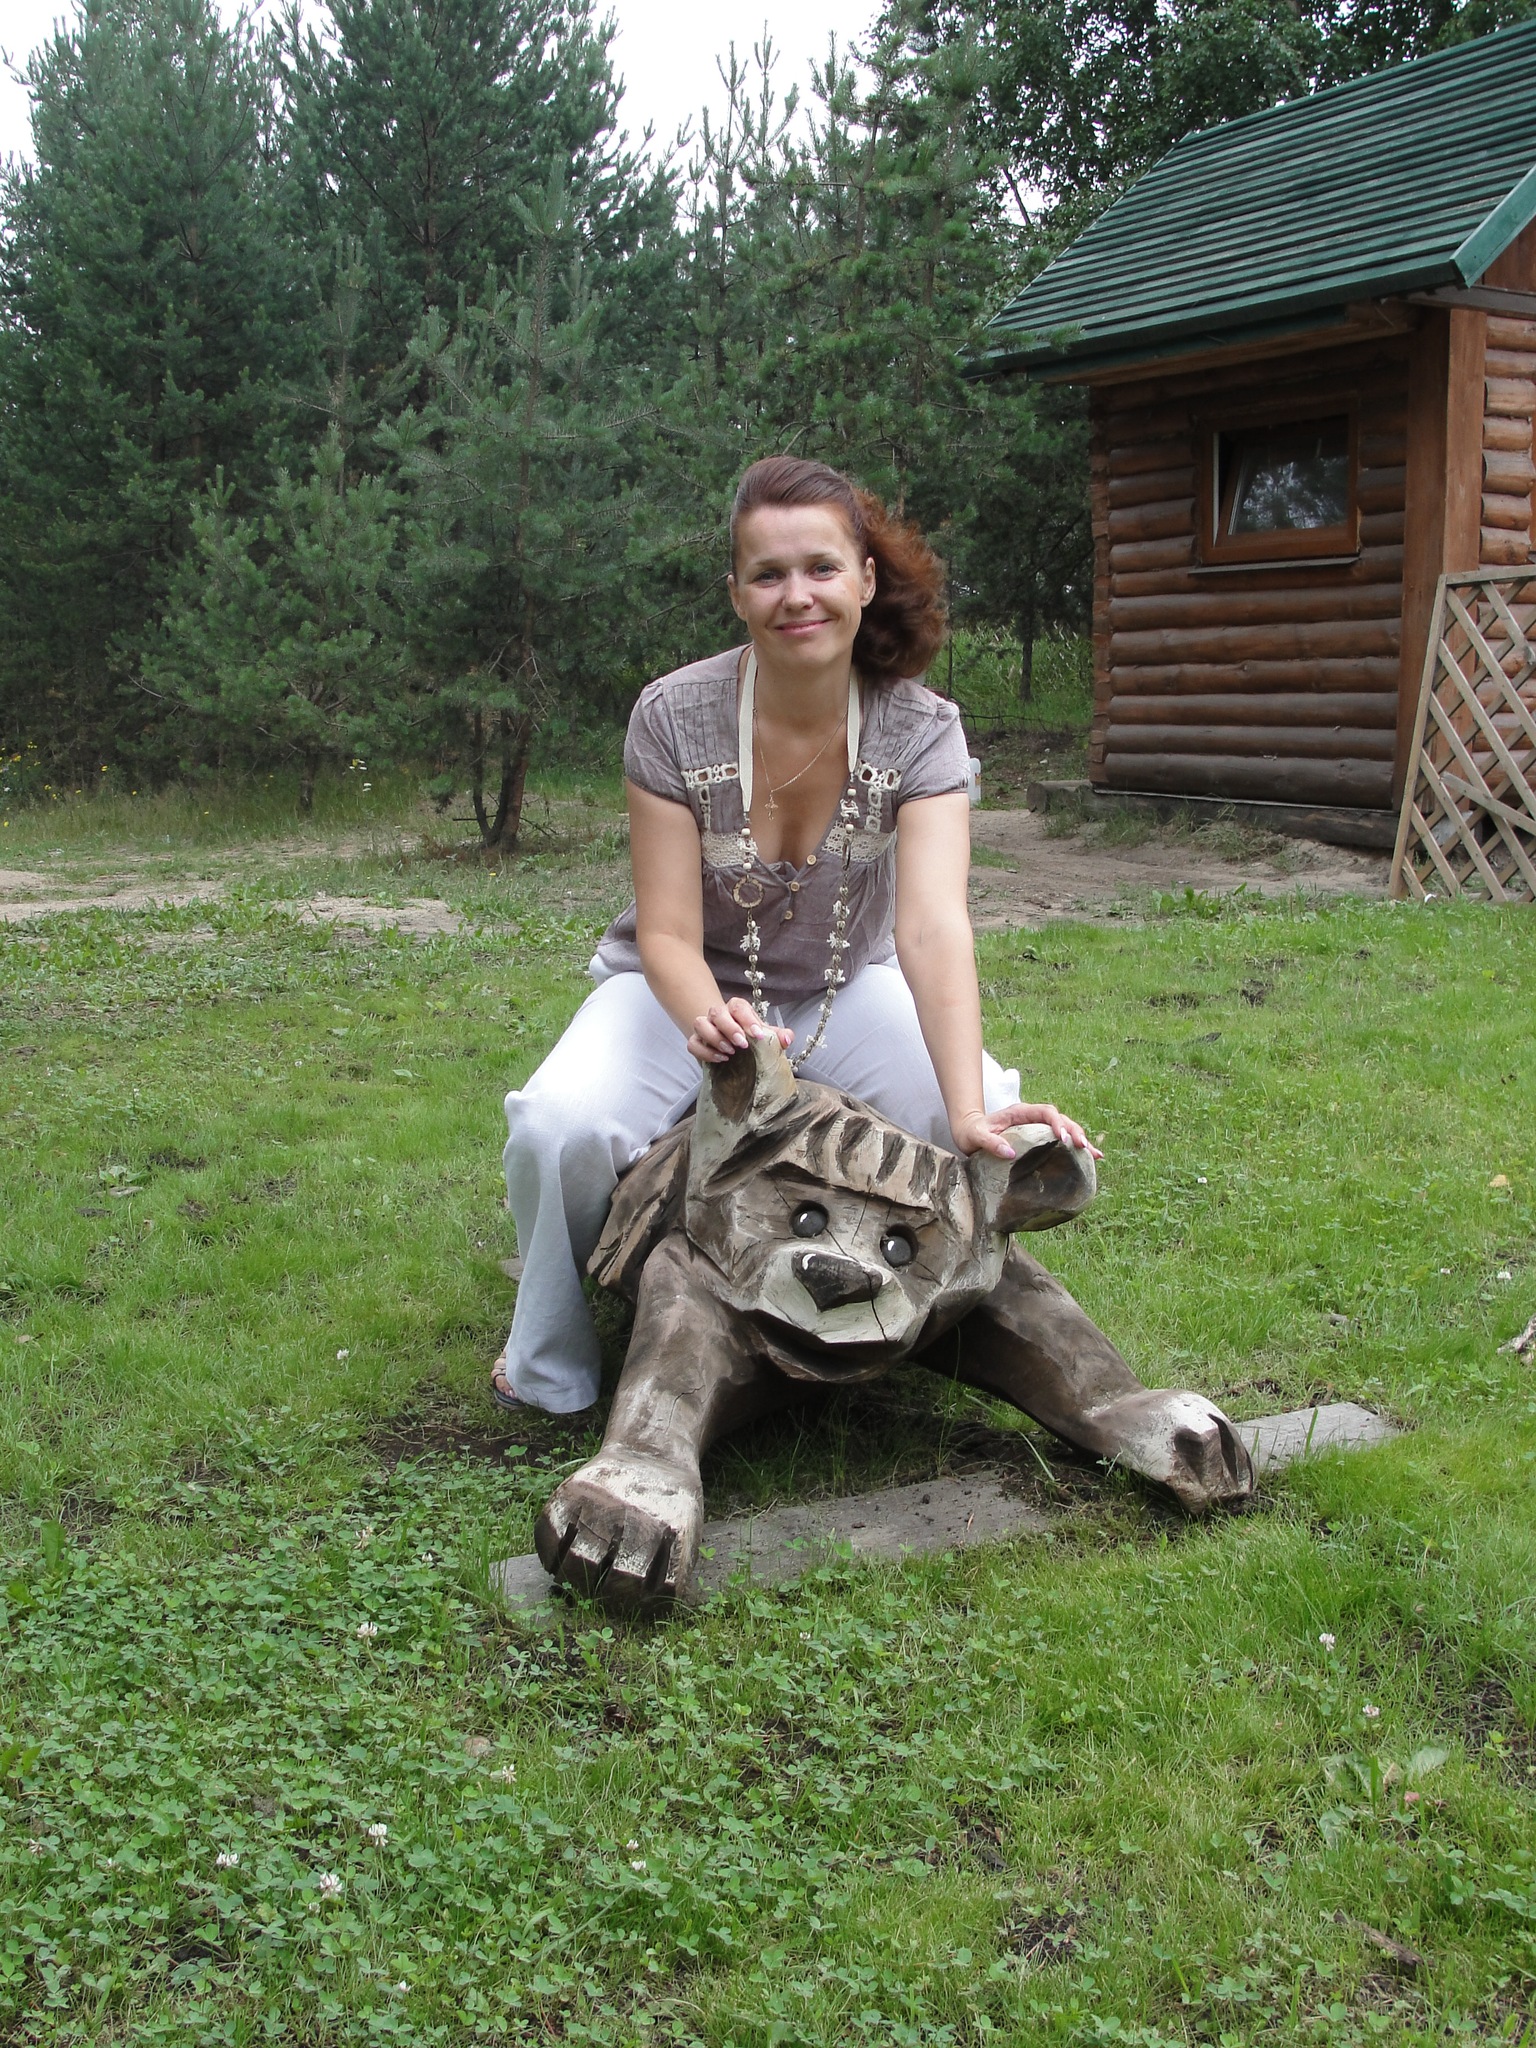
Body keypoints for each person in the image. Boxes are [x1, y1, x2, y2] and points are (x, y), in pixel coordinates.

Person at [492, 455, 1098, 1414]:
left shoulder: (922, 730)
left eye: (821, 567)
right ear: (737, 593)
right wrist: (714, 1024)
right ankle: (548, 1362)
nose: (797, 595)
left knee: (988, 1129)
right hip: (677, 992)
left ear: (865, 579)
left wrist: (966, 1108)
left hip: (844, 985)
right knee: (556, 1128)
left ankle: (942, 1316)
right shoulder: (672, 716)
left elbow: (932, 926)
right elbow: (666, 930)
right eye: (768, 574)